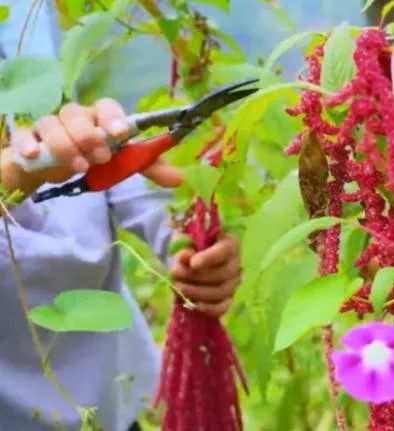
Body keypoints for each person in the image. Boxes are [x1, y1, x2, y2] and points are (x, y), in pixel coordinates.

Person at [0, 4, 242, 431]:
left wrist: (195, 246)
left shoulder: (44, 111)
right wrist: (14, 178)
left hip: (113, 408)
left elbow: (143, 198)